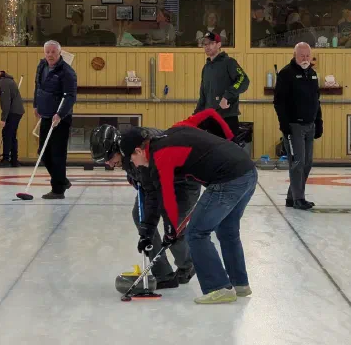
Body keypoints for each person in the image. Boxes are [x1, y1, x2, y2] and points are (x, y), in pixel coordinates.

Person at [119, 109, 256, 305]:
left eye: (131, 158)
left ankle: (218, 287)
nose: (133, 163)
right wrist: (230, 138)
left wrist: (171, 230)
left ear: (139, 151)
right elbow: (209, 113)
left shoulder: (160, 156)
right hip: (248, 171)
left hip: (228, 180)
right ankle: (240, 284)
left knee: (196, 233)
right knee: (227, 231)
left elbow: (167, 197)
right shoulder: (177, 128)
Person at [90, 123, 199, 288]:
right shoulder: (127, 150)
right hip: (155, 182)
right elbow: (144, 180)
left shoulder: (145, 148)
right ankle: (163, 274)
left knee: (174, 227)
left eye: (109, 159)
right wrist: (133, 178)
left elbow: (154, 194)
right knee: (140, 217)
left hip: (183, 182)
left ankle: (187, 264)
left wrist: (148, 229)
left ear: (116, 148)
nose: (109, 165)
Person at [273, 42, 323, 210]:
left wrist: (319, 121)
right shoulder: (286, 74)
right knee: (297, 162)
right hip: (294, 126)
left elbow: (317, 100)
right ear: (295, 55)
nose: (305, 58)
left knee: (307, 163)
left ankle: (291, 197)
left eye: (308, 55)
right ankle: (298, 199)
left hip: (310, 125)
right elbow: (279, 102)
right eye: (302, 55)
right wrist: (284, 125)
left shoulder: (313, 74)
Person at [33, 40, 77, 199]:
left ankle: (58, 190)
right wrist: (36, 105)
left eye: (53, 52)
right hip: (45, 115)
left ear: (59, 53)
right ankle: (62, 180)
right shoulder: (42, 66)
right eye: (47, 52)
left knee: (57, 154)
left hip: (60, 118)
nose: (50, 55)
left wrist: (60, 114)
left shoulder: (67, 72)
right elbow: (37, 86)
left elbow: (70, 96)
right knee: (43, 153)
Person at [194, 31, 249, 136]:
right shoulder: (206, 68)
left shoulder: (229, 62)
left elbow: (243, 79)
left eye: (211, 43)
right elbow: (203, 96)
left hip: (227, 118)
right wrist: (195, 116)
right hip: (210, 119)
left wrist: (226, 97)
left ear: (219, 44)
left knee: (229, 152)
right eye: (205, 44)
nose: (207, 47)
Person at [0, 63, 24, 168]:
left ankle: (6, 160)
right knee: (11, 135)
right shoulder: (4, 80)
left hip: (13, 111)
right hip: (17, 111)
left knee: (7, 134)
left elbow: (6, 102)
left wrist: (3, 119)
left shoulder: (3, 82)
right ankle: (14, 160)